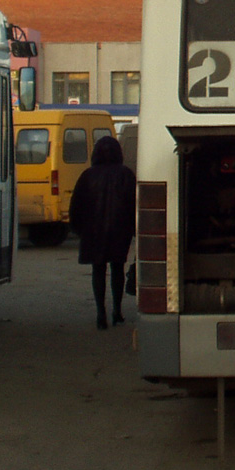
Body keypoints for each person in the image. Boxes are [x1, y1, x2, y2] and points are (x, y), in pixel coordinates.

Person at [69, 135, 136, 329]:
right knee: (117, 269)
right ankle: (117, 310)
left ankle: (101, 313)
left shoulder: (87, 175)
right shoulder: (126, 175)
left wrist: (78, 228)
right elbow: (134, 204)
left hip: (93, 232)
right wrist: (133, 229)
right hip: (119, 231)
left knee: (98, 270)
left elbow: (77, 205)